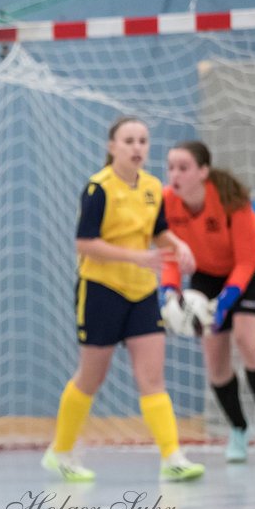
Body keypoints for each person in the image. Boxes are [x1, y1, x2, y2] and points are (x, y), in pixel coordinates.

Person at [43, 116, 204, 482]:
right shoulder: (98, 188)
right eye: (128, 140)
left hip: (142, 291)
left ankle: (172, 457)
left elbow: (158, 231)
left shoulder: (152, 187)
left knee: (153, 378)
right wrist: (136, 256)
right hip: (100, 290)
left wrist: (178, 246)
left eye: (143, 141)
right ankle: (61, 452)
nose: (137, 147)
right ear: (112, 147)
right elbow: (84, 243)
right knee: (91, 377)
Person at [163, 141, 255, 462]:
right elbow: (170, 255)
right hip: (207, 273)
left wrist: (226, 300)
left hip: (252, 268)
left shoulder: (231, 199)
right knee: (215, 360)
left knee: (247, 340)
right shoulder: (166, 203)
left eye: (183, 167)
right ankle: (238, 430)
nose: (175, 174)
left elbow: (246, 261)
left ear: (203, 172)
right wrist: (169, 293)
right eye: (171, 167)